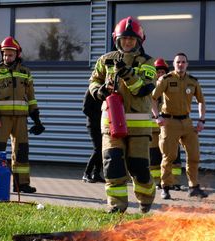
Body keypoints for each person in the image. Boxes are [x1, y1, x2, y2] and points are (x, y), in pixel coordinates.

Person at [88, 16, 157, 213]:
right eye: (124, 39)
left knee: (138, 168)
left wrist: (127, 73)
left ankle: (146, 198)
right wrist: (99, 90)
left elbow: (143, 89)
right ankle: (117, 207)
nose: (127, 42)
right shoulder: (105, 60)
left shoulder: (148, 62)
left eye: (131, 39)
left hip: (138, 125)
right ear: (117, 40)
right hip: (111, 122)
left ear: (139, 41)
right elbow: (93, 81)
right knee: (112, 165)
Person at [0, 36, 45, 193]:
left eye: (10, 54)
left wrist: (37, 119)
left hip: (20, 119)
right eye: (4, 54)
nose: (7, 57)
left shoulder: (26, 72)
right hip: (1, 120)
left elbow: (31, 97)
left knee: (21, 151)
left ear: (17, 54)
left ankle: (21, 184)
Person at [151, 53, 208, 200]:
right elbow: (152, 98)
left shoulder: (192, 81)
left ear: (187, 64)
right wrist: (157, 116)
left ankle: (193, 187)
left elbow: (201, 101)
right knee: (169, 156)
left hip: (187, 122)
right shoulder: (166, 79)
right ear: (174, 64)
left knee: (194, 155)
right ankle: (165, 187)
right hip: (170, 122)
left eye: (183, 62)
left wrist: (201, 120)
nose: (180, 65)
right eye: (178, 62)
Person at [150, 58, 183, 190]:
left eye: (163, 71)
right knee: (154, 157)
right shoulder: (149, 89)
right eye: (158, 72)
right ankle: (157, 182)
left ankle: (174, 182)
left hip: (170, 129)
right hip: (152, 131)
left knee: (173, 156)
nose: (160, 74)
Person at [81, 89, 104, 183]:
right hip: (93, 125)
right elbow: (85, 109)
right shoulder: (90, 92)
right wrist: (98, 118)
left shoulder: (104, 91)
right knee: (98, 149)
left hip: (103, 125)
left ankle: (96, 174)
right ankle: (86, 174)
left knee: (102, 150)